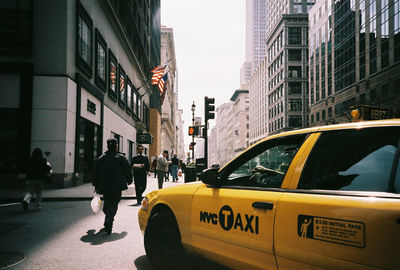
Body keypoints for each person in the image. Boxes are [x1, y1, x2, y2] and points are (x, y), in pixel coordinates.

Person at [93, 138, 132, 235]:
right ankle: (109, 221)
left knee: (107, 201)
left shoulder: (101, 158)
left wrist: (95, 183)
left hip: (104, 185)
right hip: (117, 185)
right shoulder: (120, 157)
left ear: (107, 146)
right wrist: (130, 179)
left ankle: (107, 214)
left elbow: (95, 172)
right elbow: (127, 170)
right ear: (116, 146)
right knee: (114, 203)